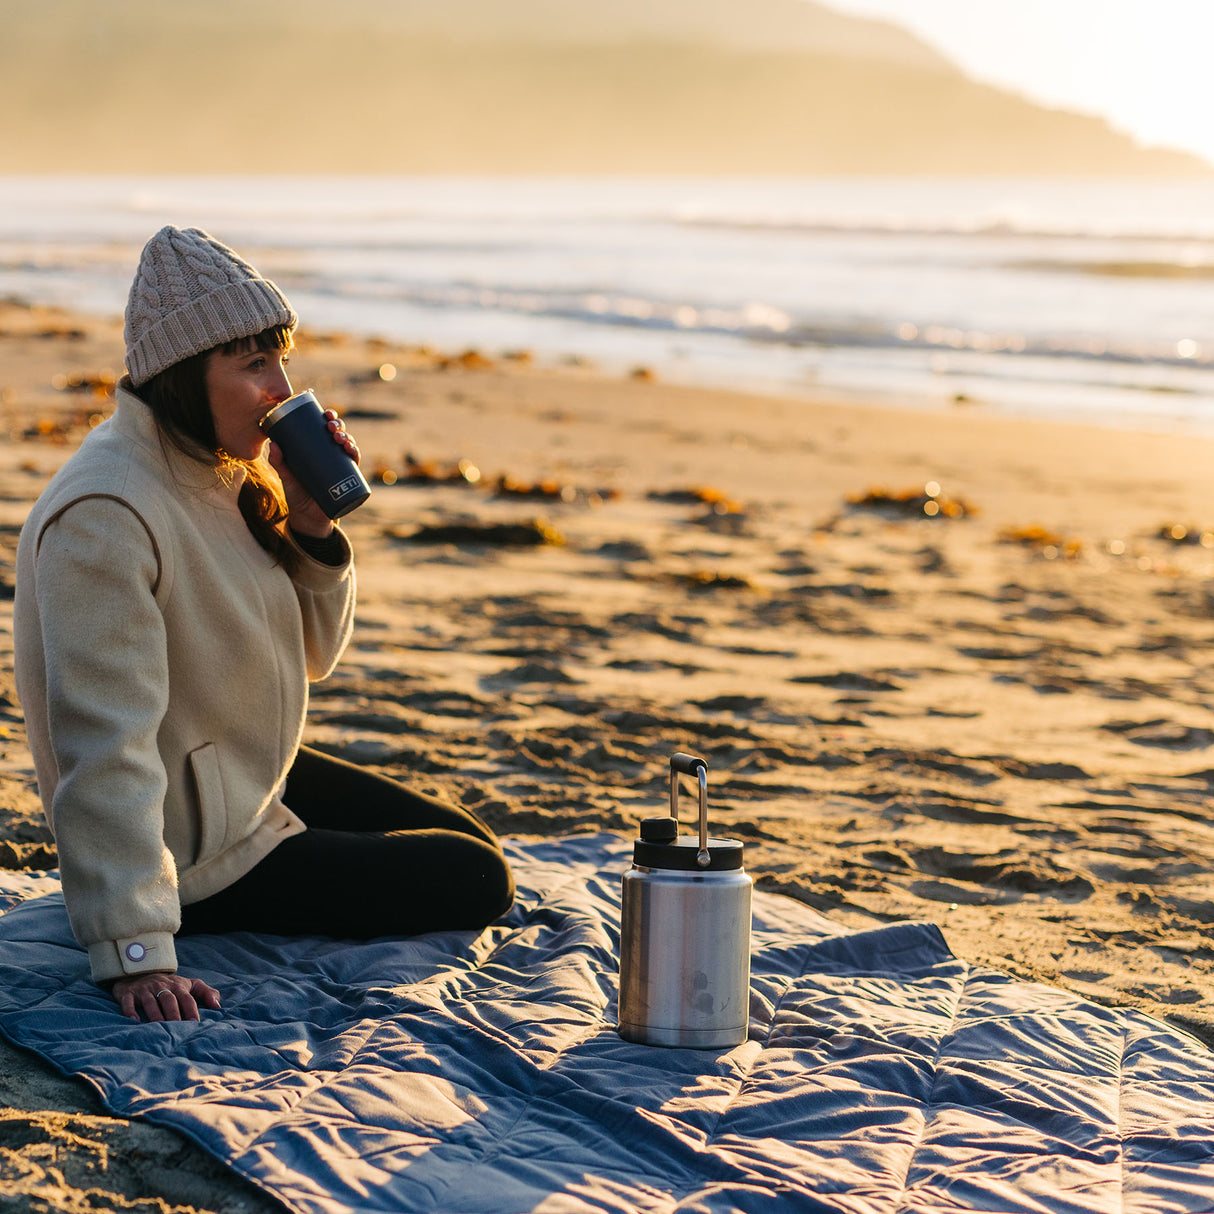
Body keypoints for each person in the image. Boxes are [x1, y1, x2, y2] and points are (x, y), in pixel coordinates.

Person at [13, 226, 514, 1023]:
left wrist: (311, 526)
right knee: (475, 880)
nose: (281, 388)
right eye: (252, 365)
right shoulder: (105, 514)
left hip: (241, 777)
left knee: (470, 841)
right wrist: (135, 947)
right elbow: (101, 743)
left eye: (281, 359)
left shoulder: (222, 469)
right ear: (184, 372)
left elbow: (312, 657)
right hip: (191, 851)